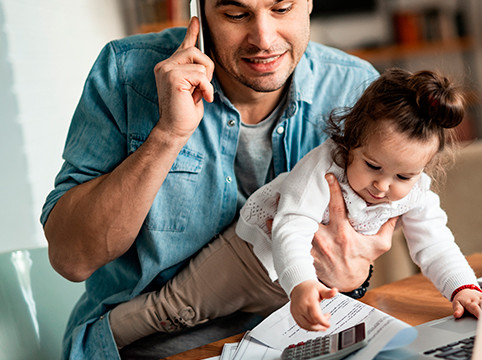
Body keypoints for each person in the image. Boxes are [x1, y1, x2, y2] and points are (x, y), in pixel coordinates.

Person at [40, 1, 393, 358]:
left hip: (300, 340)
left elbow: (366, 244)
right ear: (199, 11)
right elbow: (72, 259)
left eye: (282, 8)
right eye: (236, 15)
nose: (263, 39)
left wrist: (355, 278)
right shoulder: (126, 72)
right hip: (153, 348)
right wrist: (167, 136)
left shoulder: (355, 86)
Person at [108, 68, 482, 347]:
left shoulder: (416, 192)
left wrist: (462, 289)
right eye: (372, 167)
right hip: (249, 258)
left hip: (300, 288)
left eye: (404, 176)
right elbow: (292, 226)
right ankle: (99, 340)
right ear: (351, 141)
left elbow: (435, 243)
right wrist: (302, 284)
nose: (383, 187)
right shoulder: (325, 166)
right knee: (173, 311)